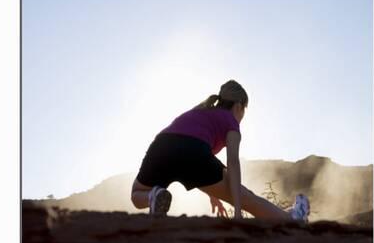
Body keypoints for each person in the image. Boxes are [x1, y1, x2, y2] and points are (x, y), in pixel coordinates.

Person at [130, 80, 310, 222]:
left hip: (161, 145)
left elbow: (185, 153)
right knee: (246, 196)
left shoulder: (200, 111)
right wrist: (237, 211)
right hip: (194, 152)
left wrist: (214, 195)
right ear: (239, 106)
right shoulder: (230, 122)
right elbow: (232, 163)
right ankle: (293, 219)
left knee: (137, 194)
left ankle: (154, 196)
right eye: (244, 111)